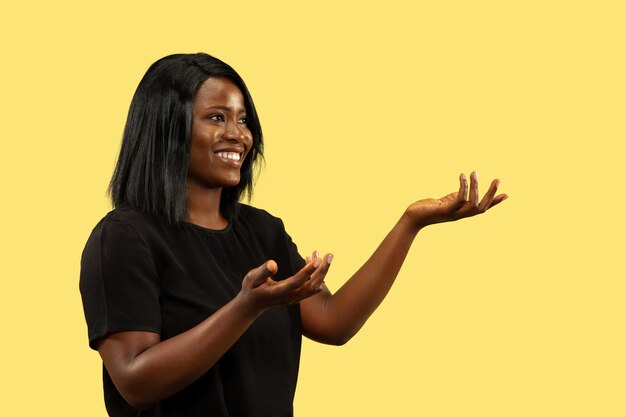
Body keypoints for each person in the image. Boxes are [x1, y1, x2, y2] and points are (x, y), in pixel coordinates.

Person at [79, 52, 507, 417]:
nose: (238, 134)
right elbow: (134, 381)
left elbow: (333, 321)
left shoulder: (263, 231)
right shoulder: (124, 238)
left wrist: (411, 222)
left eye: (243, 119)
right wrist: (245, 308)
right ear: (166, 129)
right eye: (216, 117)